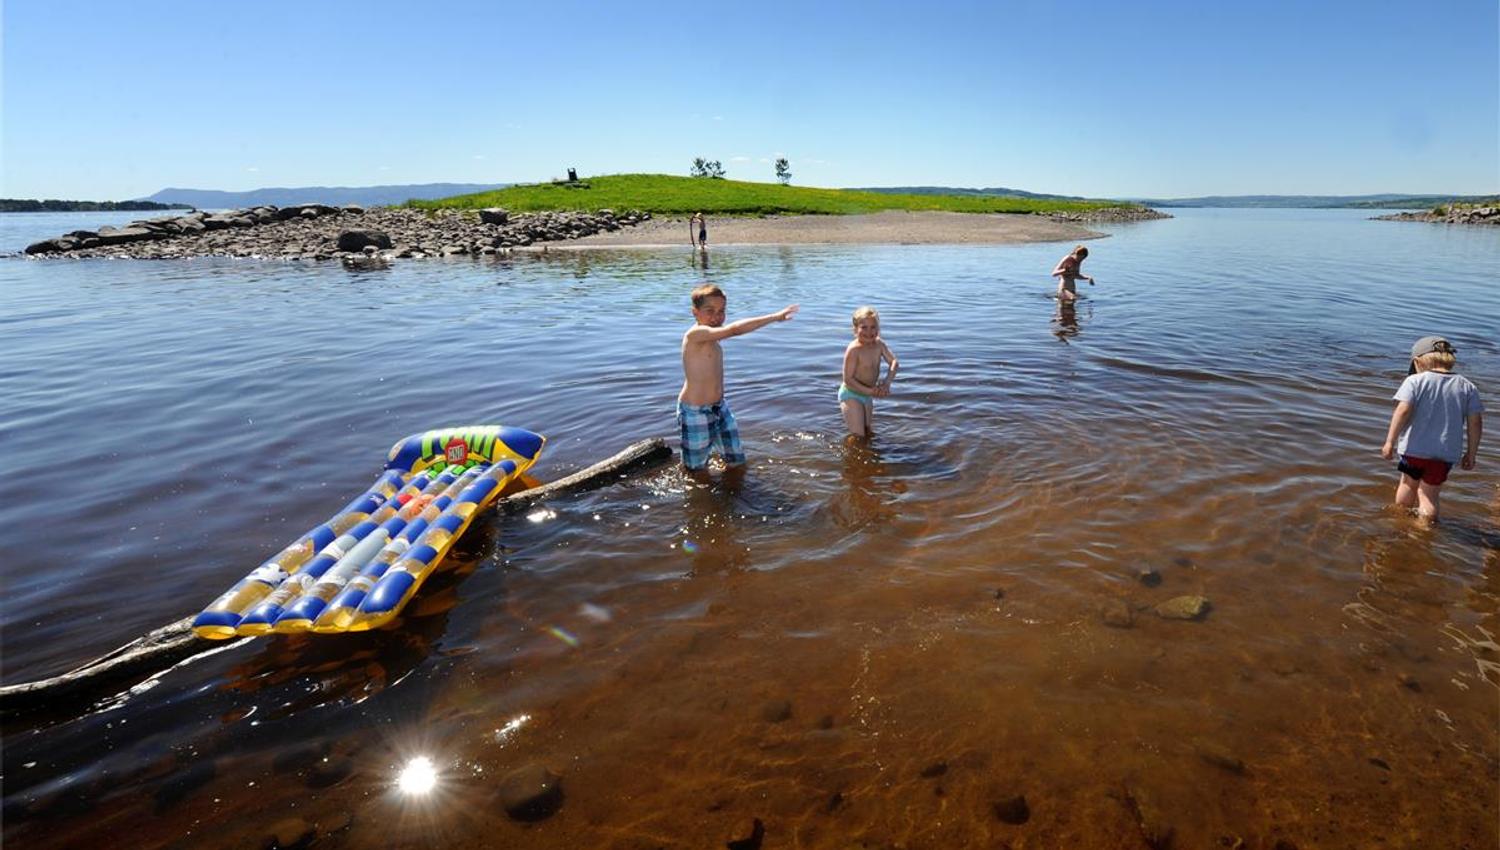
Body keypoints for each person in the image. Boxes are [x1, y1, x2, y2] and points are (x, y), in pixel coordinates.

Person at [678, 283, 798, 472]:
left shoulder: (711, 336)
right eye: (710, 311)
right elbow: (734, 330)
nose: (717, 317)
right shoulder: (696, 334)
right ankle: (699, 498)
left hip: (719, 408)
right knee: (696, 469)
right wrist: (774, 317)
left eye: (721, 311)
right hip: (696, 412)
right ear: (695, 312)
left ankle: (732, 492)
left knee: (736, 461)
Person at [1380, 335, 1484, 522]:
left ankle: (1400, 522)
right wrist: (1471, 453)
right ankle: (1424, 529)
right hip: (1444, 454)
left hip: (1414, 450)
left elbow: (1402, 411)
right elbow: (1475, 423)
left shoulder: (1414, 381)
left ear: (1418, 361)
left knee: (1408, 485)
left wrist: (1389, 442)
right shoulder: (1468, 387)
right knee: (1429, 495)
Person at [839, 306, 899, 438]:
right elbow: (848, 380)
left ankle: (865, 455)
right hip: (851, 394)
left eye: (873, 327)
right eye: (864, 327)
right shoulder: (854, 350)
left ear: (878, 329)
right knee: (858, 435)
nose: (869, 332)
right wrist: (871, 391)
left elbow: (894, 362)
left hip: (867, 395)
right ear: (855, 329)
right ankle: (851, 455)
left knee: (868, 431)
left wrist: (886, 383)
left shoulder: (879, 345)